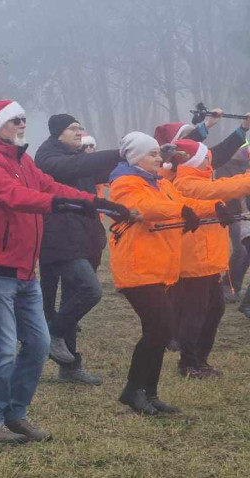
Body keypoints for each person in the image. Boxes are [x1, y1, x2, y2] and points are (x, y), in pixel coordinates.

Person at [0, 100, 128, 444]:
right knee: (2, 349)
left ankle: (15, 415)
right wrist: (54, 204)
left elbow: (48, 185)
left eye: (23, 119)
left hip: (22, 268)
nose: (21, 125)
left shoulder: (23, 161)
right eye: (15, 120)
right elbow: (13, 195)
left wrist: (95, 201)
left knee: (38, 344)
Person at [108, 131, 220, 415]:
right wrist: (180, 210)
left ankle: (150, 393)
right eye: (153, 154)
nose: (160, 159)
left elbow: (184, 202)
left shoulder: (157, 183)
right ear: (136, 157)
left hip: (159, 270)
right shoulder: (125, 183)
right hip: (137, 269)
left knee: (158, 330)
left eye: (159, 153)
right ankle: (133, 390)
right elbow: (146, 208)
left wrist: (214, 208)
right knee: (162, 328)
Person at [33, 114, 126, 385]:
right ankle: (51, 335)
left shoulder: (75, 158)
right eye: (73, 129)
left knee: (71, 300)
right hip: (59, 242)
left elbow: (101, 171)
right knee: (89, 290)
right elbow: (76, 167)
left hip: (83, 240)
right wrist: (120, 152)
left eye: (80, 128)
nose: (79, 133)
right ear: (58, 133)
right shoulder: (48, 158)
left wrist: (135, 158)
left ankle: (70, 367)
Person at [168, 139, 250, 378]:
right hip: (194, 263)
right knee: (195, 314)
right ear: (195, 161)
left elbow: (224, 185)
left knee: (214, 310)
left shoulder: (201, 180)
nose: (210, 160)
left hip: (210, 261)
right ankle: (188, 364)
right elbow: (223, 189)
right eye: (205, 157)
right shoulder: (186, 183)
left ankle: (200, 361)